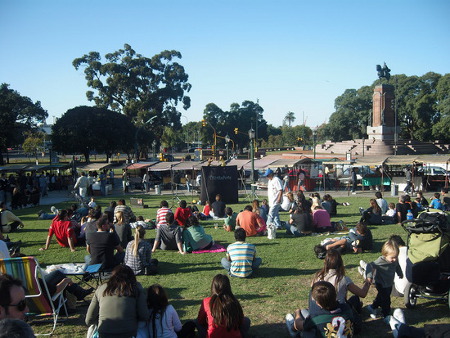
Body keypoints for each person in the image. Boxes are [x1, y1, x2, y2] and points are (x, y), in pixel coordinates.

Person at [311, 250, 372, 334]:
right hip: (339, 310)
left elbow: (312, 293)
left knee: (355, 300)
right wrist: (368, 281)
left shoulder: (318, 276)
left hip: (321, 309)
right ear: (340, 263)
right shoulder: (343, 279)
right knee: (355, 301)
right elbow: (362, 293)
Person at [85, 265, 149, 338]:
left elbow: (88, 320)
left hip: (105, 333)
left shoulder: (101, 289)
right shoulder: (135, 289)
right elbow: (144, 316)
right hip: (128, 334)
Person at [285, 281, 354, 338]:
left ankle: (293, 332)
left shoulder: (316, 318)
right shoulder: (347, 308)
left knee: (305, 326)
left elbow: (298, 325)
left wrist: (297, 313)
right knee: (304, 313)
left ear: (318, 303)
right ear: (335, 295)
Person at [365, 239, 403, 319]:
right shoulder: (380, 261)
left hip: (389, 283)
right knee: (386, 299)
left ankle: (372, 307)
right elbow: (370, 265)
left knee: (381, 297)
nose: (395, 259)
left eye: (396, 257)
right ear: (385, 255)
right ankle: (386, 314)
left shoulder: (394, 260)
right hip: (380, 283)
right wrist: (369, 276)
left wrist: (400, 273)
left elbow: (397, 266)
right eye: (392, 258)